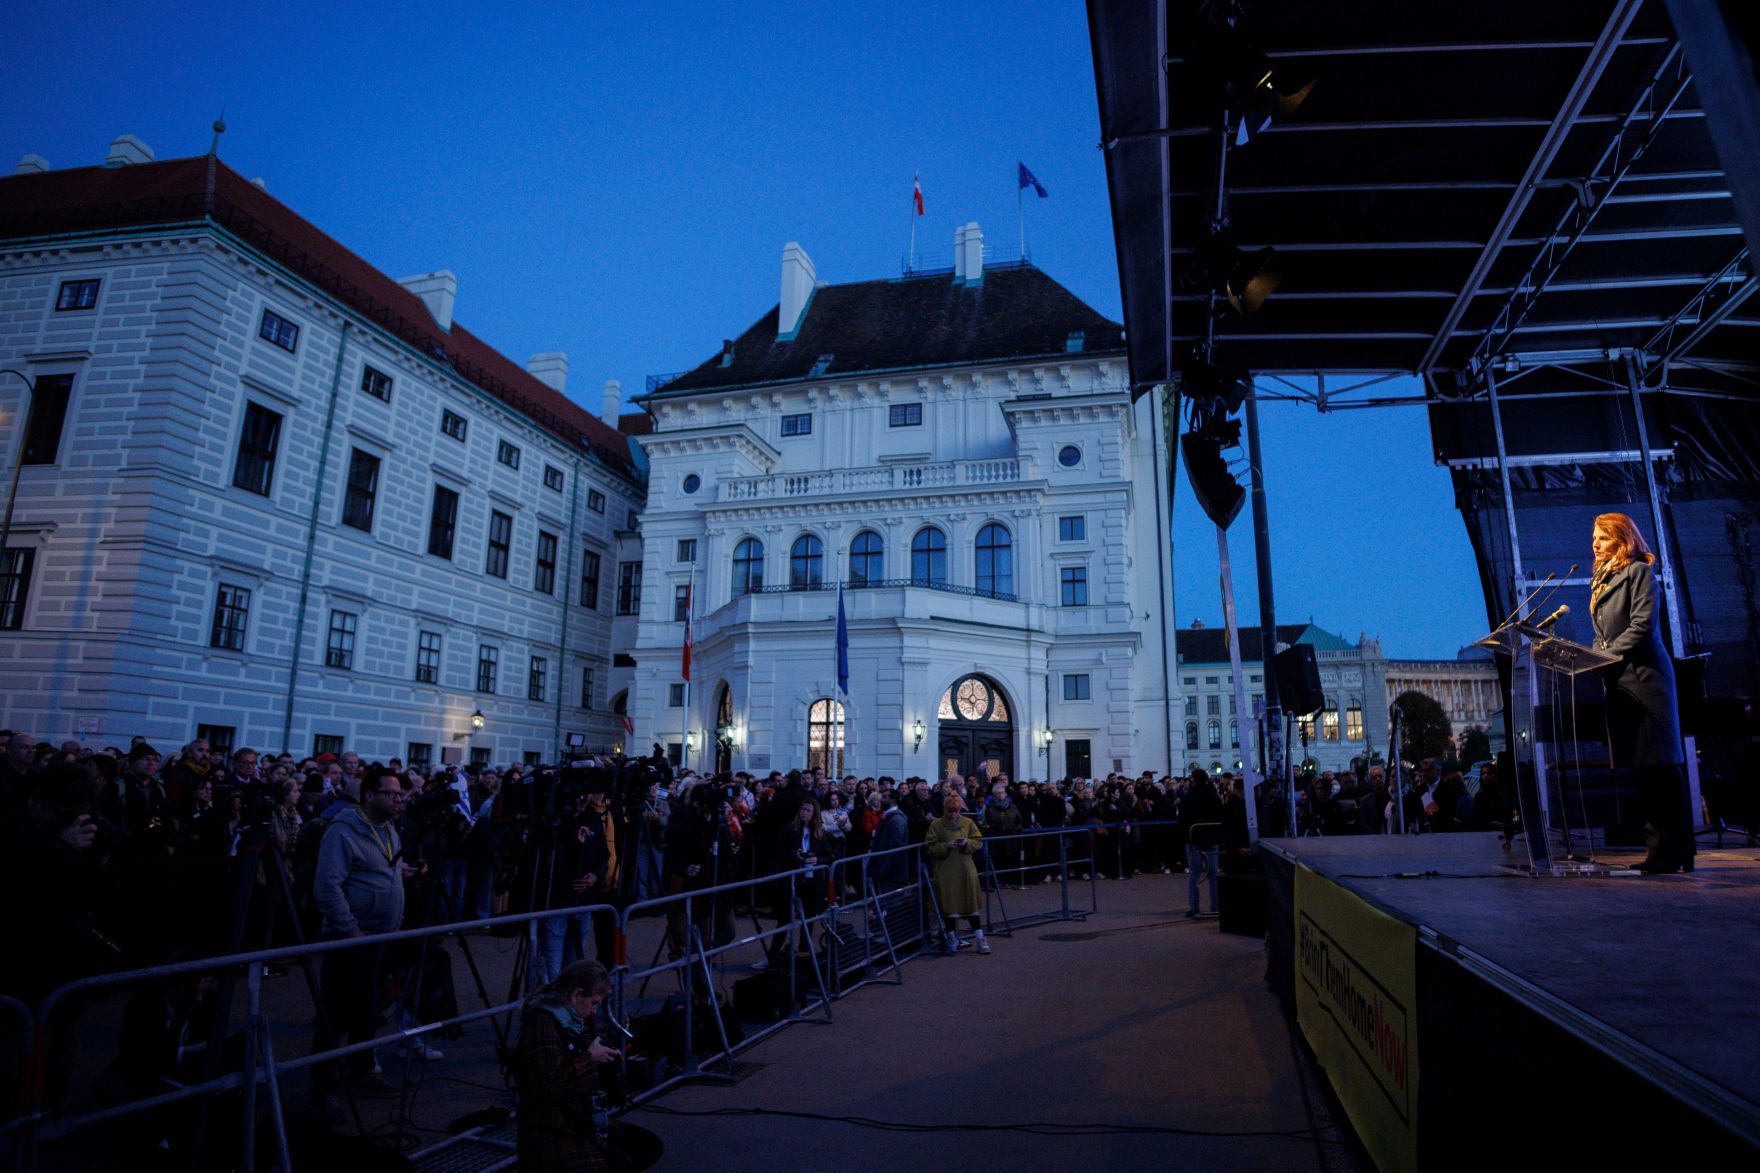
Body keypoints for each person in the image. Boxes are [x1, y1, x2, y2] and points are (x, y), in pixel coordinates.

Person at [309, 767, 419, 1116]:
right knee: (335, 1015)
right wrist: (349, 930)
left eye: (400, 794)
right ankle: (323, 1086)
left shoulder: (389, 829)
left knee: (366, 1013)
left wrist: (401, 873)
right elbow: (328, 886)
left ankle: (361, 1071)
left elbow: (379, 867)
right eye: (390, 794)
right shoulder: (343, 831)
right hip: (351, 939)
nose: (398, 799)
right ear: (369, 795)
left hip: (381, 937)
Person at [1590, 512, 1692, 873]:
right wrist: (1592, 652)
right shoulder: (1601, 580)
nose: (1595, 544)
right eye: (1594, 538)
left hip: (1646, 681)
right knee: (1645, 772)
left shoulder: (1639, 573)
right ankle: (1659, 849)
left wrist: (1605, 654)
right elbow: (1606, 633)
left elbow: (1643, 627)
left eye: (1602, 537)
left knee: (1661, 768)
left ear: (1622, 539)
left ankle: (1674, 850)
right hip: (1622, 683)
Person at [510, 959, 620, 1172]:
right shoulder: (544, 1025)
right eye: (594, 1002)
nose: (595, 1011)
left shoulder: (565, 1019)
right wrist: (590, 1058)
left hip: (570, 1120)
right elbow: (549, 1086)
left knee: (637, 1148)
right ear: (576, 995)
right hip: (550, 1130)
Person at [924, 793, 987, 954]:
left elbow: (978, 841)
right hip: (946, 871)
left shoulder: (968, 822)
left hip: (966, 869)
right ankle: (951, 938)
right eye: (951, 811)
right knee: (949, 907)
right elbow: (929, 846)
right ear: (945, 809)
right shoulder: (936, 825)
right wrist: (946, 846)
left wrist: (967, 843)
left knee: (971, 905)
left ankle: (980, 939)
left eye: (957, 811)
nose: (954, 814)